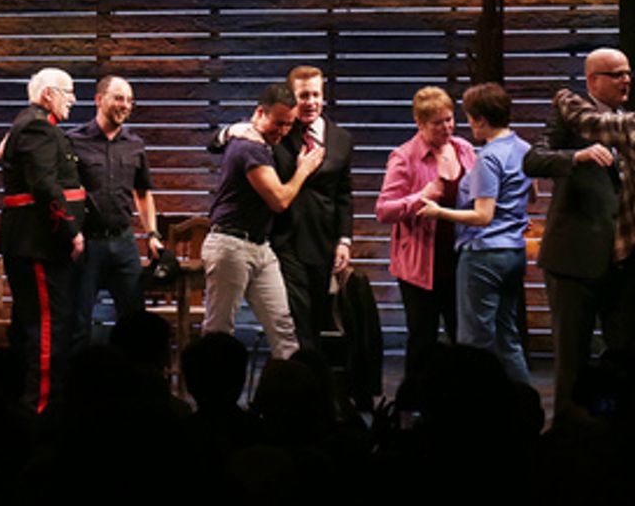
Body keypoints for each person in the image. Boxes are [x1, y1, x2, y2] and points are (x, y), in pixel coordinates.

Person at [212, 66, 354, 351]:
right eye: (304, 96)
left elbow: (344, 195)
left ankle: (307, 372)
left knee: (313, 322)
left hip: (322, 242)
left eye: (316, 95)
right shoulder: (277, 131)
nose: (311, 102)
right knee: (293, 323)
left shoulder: (341, 139)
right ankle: (300, 372)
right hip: (281, 240)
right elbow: (219, 145)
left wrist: (344, 239)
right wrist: (230, 131)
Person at [524, 48, 632, 416]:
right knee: (572, 357)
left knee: (623, 355)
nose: (626, 80)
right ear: (592, 80)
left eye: (628, 73)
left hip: (622, 258)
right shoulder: (570, 117)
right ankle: (567, 433)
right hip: (575, 258)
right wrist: (577, 157)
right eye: (616, 74)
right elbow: (533, 159)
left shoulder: (624, 121)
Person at [419, 83, 533, 384]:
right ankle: (525, 401)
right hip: (514, 251)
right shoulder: (523, 148)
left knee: (474, 342)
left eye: (469, 118)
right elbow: (531, 193)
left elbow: (483, 216)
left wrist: (439, 212)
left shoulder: (489, 158)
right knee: (507, 338)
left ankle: (475, 405)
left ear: (481, 119)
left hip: (485, 255)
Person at [202, 83, 322, 360]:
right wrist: (303, 170)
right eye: (278, 123)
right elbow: (279, 200)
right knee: (219, 331)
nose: (283, 131)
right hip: (230, 244)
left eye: (289, 125)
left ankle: (289, 384)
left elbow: (216, 140)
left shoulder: (257, 141)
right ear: (259, 113)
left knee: (284, 328)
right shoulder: (250, 147)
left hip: (260, 246)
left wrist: (227, 131)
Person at [0, 67, 86, 411]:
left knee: (35, 326)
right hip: (39, 243)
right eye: (69, 92)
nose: (73, 100)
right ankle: (41, 408)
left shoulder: (33, 124)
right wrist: (71, 231)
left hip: (36, 242)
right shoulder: (37, 126)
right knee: (48, 329)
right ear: (48, 94)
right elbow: (45, 186)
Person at [375, 87, 476, 379]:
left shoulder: (464, 150)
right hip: (421, 267)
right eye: (437, 123)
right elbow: (384, 210)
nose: (446, 128)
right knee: (423, 339)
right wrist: (421, 197)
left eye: (449, 120)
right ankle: (414, 400)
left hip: (461, 259)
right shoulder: (404, 157)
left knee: (463, 337)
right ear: (420, 123)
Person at [68, 75, 161, 350]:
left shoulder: (135, 144)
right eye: (119, 98)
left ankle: (133, 376)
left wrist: (152, 234)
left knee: (134, 323)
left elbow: (143, 193)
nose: (125, 105)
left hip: (123, 243)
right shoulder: (72, 141)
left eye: (130, 100)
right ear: (99, 99)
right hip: (87, 244)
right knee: (78, 324)